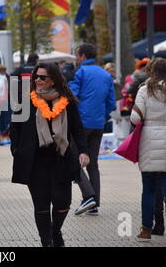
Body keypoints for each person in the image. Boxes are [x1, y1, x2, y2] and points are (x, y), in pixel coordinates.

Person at [10, 62, 89, 247]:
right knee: (42, 205)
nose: (37, 80)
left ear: (53, 80)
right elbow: (14, 128)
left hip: (60, 158)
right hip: (35, 161)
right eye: (35, 76)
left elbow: (77, 129)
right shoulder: (26, 101)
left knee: (63, 203)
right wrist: (16, 150)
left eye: (42, 77)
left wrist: (84, 151)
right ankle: (47, 242)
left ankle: (55, 232)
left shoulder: (66, 100)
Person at [131, 58, 166, 245]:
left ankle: (146, 231)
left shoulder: (145, 90)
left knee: (149, 190)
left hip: (149, 141)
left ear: (151, 71)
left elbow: (135, 118)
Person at [69, 43, 116, 216]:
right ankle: (95, 203)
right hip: (98, 124)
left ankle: (88, 196)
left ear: (81, 56)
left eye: (76, 55)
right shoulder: (106, 74)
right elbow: (111, 102)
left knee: (74, 160)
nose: (75, 58)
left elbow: (72, 97)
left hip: (81, 123)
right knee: (93, 164)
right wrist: (101, 117)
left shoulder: (80, 73)